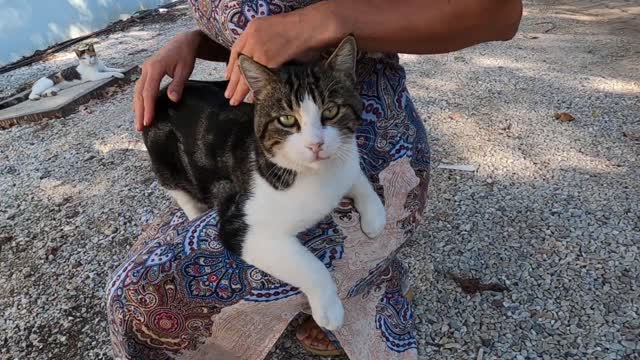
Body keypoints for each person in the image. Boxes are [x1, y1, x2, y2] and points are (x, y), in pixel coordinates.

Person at [108, 1, 522, 358]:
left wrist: (328, 18)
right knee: (163, 255)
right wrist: (197, 41)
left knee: (142, 299)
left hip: (361, 135)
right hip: (273, 138)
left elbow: (498, 12)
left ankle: (363, 278)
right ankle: (351, 279)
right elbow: (264, 23)